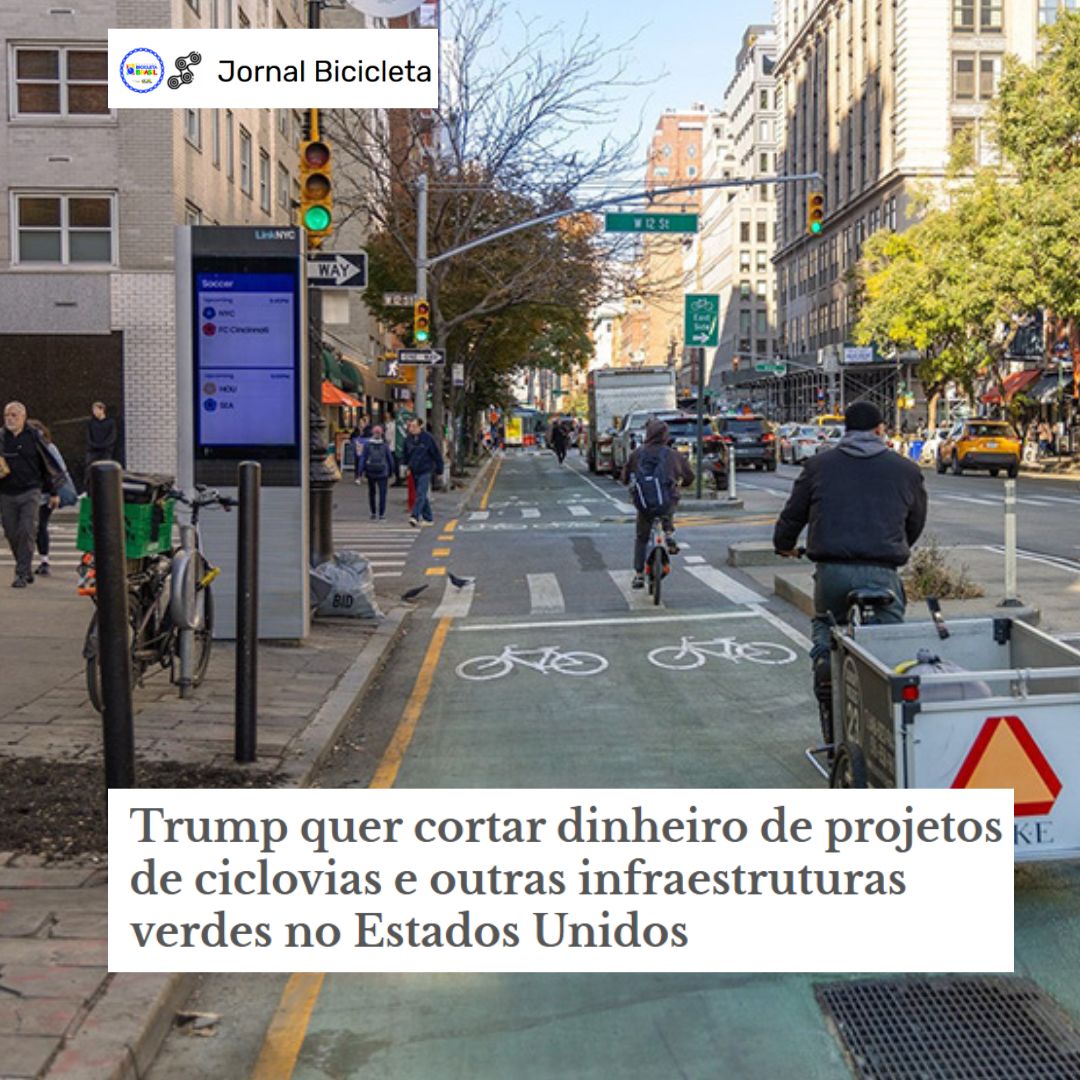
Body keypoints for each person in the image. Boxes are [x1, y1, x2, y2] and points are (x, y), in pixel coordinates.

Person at [773, 400, 927, 745]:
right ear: (880, 429)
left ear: (846, 430)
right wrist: (896, 544)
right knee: (890, 642)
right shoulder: (905, 469)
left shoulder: (818, 466)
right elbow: (915, 521)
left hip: (833, 570)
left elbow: (794, 513)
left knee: (826, 624)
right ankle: (891, 718)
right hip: (882, 570)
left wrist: (784, 544)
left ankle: (825, 667)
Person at [621, 418, 694, 590]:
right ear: (665, 436)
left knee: (642, 537)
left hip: (644, 504)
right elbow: (689, 476)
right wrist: (683, 483)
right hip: (666, 501)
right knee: (668, 504)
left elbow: (624, 476)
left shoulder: (637, 454)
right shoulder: (672, 455)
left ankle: (639, 575)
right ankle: (668, 532)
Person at [1, 402, 64, 587]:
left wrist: (53, 492)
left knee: (27, 530)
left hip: (30, 491)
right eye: (7, 415)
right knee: (12, 532)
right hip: (6, 492)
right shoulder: (1, 437)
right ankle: (26, 567)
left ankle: (21, 574)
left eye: (14, 415)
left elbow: (47, 465)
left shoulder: (34, 437)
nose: (10, 419)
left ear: (23, 417)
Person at [27, 420, 76, 576]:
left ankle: (42, 561)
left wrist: (54, 493)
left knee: (37, 526)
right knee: (38, 526)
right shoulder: (45, 447)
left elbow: (56, 472)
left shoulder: (47, 448)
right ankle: (43, 561)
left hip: (44, 493)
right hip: (38, 492)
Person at [404, 417, 444, 527]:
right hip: (414, 470)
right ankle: (428, 518)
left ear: (420, 426)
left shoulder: (427, 438)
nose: (411, 429)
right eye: (410, 426)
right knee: (421, 495)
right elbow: (406, 454)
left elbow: (436, 454)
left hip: (425, 470)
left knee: (420, 493)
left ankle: (415, 516)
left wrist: (440, 470)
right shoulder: (408, 439)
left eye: (414, 426)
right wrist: (406, 467)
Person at [357, 425, 395, 521]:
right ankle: (381, 514)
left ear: (372, 433)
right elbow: (390, 459)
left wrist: (360, 473)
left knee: (372, 493)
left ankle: (373, 513)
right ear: (381, 434)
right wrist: (391, 472)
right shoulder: (385, 445)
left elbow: (363, 458)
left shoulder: (367, 445)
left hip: (370, 472)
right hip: (383, 472)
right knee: (382, 494)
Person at [85, 401, 118, 485]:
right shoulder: (91, 422)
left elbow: (112, 437)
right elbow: (88, 437)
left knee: (105, 470)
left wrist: (103, 445)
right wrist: (93, 445)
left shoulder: (110, 422)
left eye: (96, 410)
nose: (94, 412)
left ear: (102, 410)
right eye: (93, 410)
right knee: (89, 470)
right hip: (92, 451)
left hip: (105, 451)